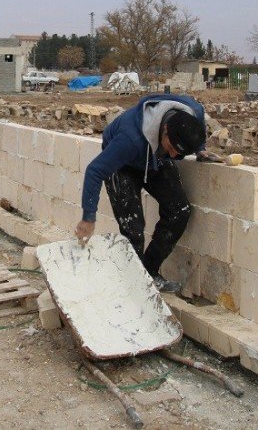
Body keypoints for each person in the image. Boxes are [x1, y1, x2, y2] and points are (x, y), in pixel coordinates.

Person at [75, 93, 220, 292]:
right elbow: (95, 170)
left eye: (180, 154)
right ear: (166, 129)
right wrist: (88, 217)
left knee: (180, 210)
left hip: (154, 158)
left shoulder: (193, 111)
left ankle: (149, 273)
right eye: (172, 148)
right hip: (124, 164)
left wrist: (200, 149)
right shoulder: (130, 139)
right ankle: (132, 288)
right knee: (133, 229)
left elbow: (196, 127)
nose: (174, 156)